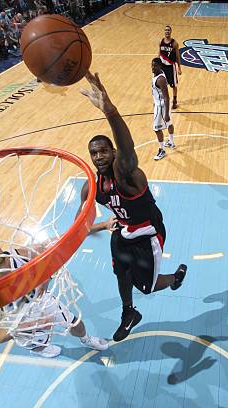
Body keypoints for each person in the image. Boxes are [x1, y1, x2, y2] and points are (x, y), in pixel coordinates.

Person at [78, 71, 188, 342]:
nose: (99, 156)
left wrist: (110, 110)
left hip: (148, 233)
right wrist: (99, 226)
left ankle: (175, 277)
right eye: (94, 153)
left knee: (147, 288)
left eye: (104, 150)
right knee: (121, 273)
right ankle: (129, 312)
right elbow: (80, 225)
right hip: (124, 232)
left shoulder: (128, 174)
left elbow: (127, 148)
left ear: (114, 153)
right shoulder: (92, 185)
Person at [0, 232, 109, 358]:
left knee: (75, 323)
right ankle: (41, 349)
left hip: (40, 302)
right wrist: (16, 330)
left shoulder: (23, 254)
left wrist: (46, 280)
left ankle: (86, 339)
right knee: (39, 345)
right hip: (16, 323)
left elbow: (52, 260)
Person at [151, 58, 175, 161]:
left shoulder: (161, 79)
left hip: (161, 107)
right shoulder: (157, 74)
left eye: (155, 66)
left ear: (160, 66)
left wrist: (166, 113)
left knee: (156, 129)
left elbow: (166, 97)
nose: (152, 67)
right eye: (152, 65)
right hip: (161, 105)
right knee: (169, 123)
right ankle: (171, 141)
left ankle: (162, 150)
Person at [158, 25, 181, 109]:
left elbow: (178, 56)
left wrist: (179, 68)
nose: (167, 31)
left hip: (171, 67)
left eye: (168, 30)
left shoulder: (174, 43)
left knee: (174, 85)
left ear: (171, 32)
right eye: (166, 30)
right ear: (164, 32)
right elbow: (159, 53)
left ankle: (174, 101)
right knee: (162, 84)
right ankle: (163, 100)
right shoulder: (161, 41)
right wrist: (157, 64)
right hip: (162, 67)